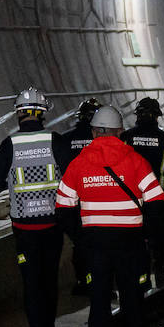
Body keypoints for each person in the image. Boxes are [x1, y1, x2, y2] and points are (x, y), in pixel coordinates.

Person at [56, 106, 164, 327]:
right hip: (130, 243)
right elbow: (157, 203)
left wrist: (81, 237)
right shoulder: (136, 160)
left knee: (100, 301)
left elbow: (63, 207)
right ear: (120, 132)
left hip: (95, 245)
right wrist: (146, 234)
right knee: (132, 300)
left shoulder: (79, 163)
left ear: (94, 132)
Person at [0, 86, 63, 327]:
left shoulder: (10, 145)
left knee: (31, 283)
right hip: (53, 226)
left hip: (24, 230)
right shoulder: (55, 141)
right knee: (49, 280)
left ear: (19, 115)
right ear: (42, 114)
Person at [121, 97, 164, 287]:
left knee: (136, 242)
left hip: (131, 201)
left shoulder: (126, 138)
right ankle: (160, 271)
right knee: (158, 240)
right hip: (157, 201)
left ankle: (142, 279)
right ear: (157, 116)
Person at [59, 97, 103, 297]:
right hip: (98, 198)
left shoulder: (66, 139)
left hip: (73, 200)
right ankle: (99, 283)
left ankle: (82, 280)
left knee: (79, 243)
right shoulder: (102, 138)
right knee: (99, 244)